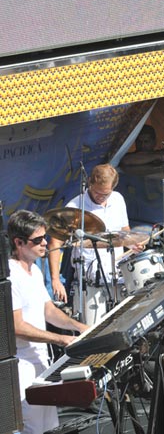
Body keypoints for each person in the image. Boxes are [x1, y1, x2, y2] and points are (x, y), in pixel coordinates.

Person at [8, 210, 89, 434]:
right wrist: (60, 338)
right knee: (32, 429)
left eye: (45, 237)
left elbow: (48, 310)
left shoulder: (34, 269)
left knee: (51, 428)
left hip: (41, 363)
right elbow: (17, 327)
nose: (45, 242)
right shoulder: (10, 277)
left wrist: (79, 327)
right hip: (21, 367)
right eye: (38, 240)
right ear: (19, 242)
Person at [48, 164, 134, 324]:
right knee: (95, 330)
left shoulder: (118, 199)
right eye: (97, 192)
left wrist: (133, 244)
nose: (101, 197)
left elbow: (125, 231)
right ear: (89, 183)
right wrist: (55, 279)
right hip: (90, 279)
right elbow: (54, 242)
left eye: (106, 194)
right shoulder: (75, 208)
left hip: (118, 274)